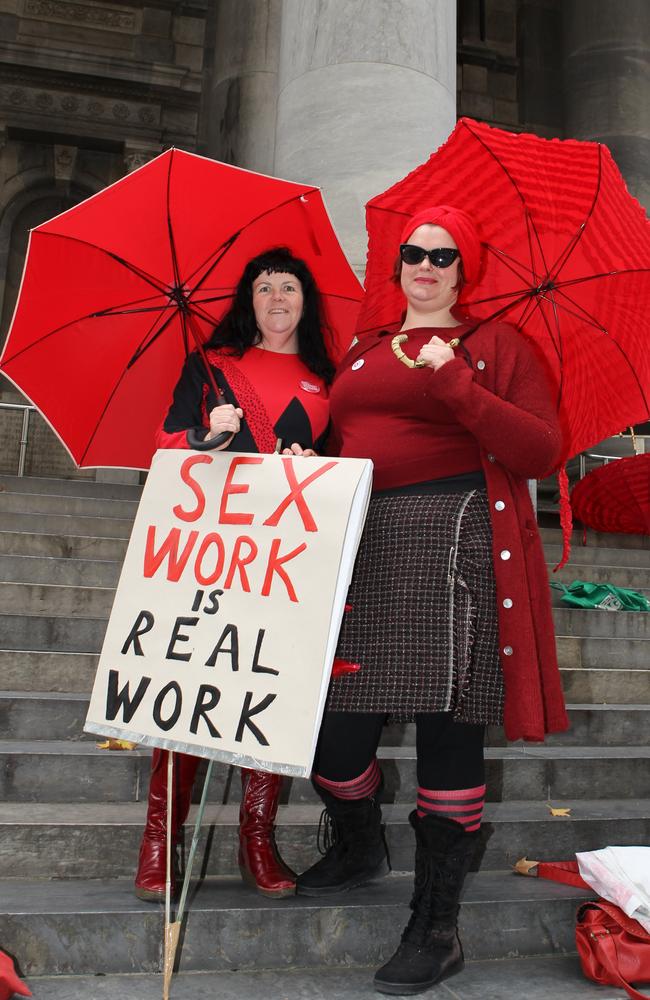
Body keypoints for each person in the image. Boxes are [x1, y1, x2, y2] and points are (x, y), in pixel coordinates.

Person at [296, 206, 569, 994]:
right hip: (358, 541)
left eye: (443, 257)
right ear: (398, 267)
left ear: (463, 270)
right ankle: (358, 839)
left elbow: (540, 450)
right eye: (414, 253)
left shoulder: (495, 346)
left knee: (449, 733)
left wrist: (456, 382)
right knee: (333, 739)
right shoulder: (362, 349)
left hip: (453, 539)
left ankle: (437, 925)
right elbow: (344, 437)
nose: (426, 265)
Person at [134, 246, 334, 902]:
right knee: (188, 689)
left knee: (266, 695)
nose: (277, 298)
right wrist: (205, 434)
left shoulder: (327, 377)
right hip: (210, 553)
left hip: (285, 561)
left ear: (307, 301)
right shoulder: (210, 367)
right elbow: (163, 444)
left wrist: (312, 462)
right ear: (248, 300)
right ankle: (160, 841)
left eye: (290, 288)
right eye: (264, 288)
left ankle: (257, 838)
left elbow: (344, 466)